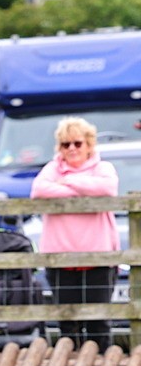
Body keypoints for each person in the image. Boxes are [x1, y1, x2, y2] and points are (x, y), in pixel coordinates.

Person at [30, 116, 119, 349]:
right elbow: (39, 190)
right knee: (68, 321)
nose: (71, 149)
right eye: (65, 144)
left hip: (99, 259)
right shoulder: (51, 169)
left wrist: (68, 181)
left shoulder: (104, 168)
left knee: (98, 320)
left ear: (89, 145)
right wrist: (81, 187)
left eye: (77, 143)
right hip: (60, 260)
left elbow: (107, 188)